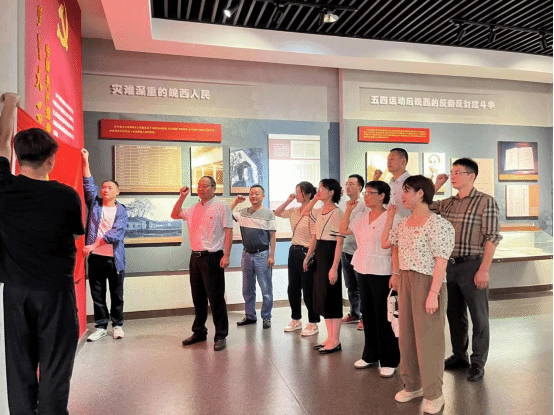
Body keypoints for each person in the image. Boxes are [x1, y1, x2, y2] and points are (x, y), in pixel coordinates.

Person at [0, 93, 86, 414]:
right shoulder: (66, 196)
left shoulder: (4, 188)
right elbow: (76, 235)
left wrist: (9, 104)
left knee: (19, 368)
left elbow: (2, 142)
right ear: (51, 161)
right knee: (54, 368)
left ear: (17, 157)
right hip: (55, 294)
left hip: (16, 293)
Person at [382, 175, 455, 415]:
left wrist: (433, 293)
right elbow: (388, 245)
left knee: (429, 339)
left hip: (428, 281)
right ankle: (412, 385)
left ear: (420, 193)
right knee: (406, 336)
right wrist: (396, 272)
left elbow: (442, 261)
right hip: (406, 280)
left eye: (406, 190)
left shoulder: (438, 224)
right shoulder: (404, 223)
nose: (401, 195)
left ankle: (434, 393)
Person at [433, 159, 502, 382]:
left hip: (473, 265)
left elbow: (492, 237)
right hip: (450, 266)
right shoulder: (448, 203)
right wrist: (436, 185)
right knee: (454, 315)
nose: (452, 176)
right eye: (451, 172)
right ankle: (459, 356)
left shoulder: (485, 201)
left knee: (479, 317)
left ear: (471, 176)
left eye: (458, 172)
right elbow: (422, 205)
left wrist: (484, 269)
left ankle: (478, 362)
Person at [340, 181, 401, 377]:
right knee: (367, 313)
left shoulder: (393, 216)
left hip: (383, 270)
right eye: (365, 193)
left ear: (382, 196)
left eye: (370, 193)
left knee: (384, 316)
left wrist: (396, 273)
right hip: (363, 267)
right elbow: (343, 230)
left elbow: (395, 247)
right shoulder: (360, 216)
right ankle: (370, 355)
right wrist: (348, 210)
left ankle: (389, 359)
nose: (366, 196)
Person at [171, 177, 233, 352]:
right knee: (198, 297)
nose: (201, 189)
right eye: (199, 186)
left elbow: (229, 231)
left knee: (216, 298)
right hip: (195, 257)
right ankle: (199, 331)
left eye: (205, 186)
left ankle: (220, 335)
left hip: (213, 256)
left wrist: (227, 255)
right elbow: (175, 214)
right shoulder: (194, 208)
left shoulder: (222, 206)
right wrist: (182, 197)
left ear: (214, 188)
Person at [81, 149, 129, 342]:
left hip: (114, 260)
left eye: (109, 187)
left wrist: (92, 246)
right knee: (97, 294)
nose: (105, 190)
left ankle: (117, 326)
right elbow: (88, 184)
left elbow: (115, 234)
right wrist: (85, 159)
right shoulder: (95, 205)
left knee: (117, 295)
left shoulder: (121, 211)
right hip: (96, 260)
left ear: (117, 192)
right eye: (103, 187)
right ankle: (101, 326)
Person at [302, 179, 345, 354]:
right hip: (319, 254)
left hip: (330, 255)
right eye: (318, 187)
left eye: (322, 188)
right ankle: (329, 337)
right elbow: (305, 212)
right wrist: (308, 255)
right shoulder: (320, 211)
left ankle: (336, 340)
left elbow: (339, 243)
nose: (319, 190)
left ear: (332, 192)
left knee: (332, 297)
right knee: (323, 298)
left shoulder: (337, 213)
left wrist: (334, 267)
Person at [275, 181, 320, 336]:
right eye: (296, 191)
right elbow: (277, 212)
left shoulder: (313, 212)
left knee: (308, 289)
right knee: (293, 288)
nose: (297, 195)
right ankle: (296, 319)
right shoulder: (294, 210)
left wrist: (308, 256)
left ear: (308, 194)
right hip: (293, 251)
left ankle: (313, 322)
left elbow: (314, 237)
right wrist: (288, 200)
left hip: (306, 251)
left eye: (299, 192)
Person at [231, 185, 277, 329]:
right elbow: (226, 214)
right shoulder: (243, 212)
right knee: (247, 288)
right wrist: (236, 202)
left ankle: (266, 317)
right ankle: (250, 316)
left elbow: (273, 236)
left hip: (262, 254)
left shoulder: (268, 214)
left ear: (263, 196)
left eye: (257, 193)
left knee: (266, 289)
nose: (253, 196)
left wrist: (272, 255)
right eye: (251, 193)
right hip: (246, 254)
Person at [339, 174, 366, 329]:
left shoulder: (364, 204)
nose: (348, 186)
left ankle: (364, 317)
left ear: (360, 187)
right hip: (345, 250)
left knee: (362, 286)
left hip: (359, 251)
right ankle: (354, 313)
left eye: (352, 184)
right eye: (347, 183)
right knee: (351, 285)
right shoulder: (344, 204)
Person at [387, 148, 412, 218]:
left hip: (408, 223)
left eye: (392, 159)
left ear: (403, 161)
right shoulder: (389, 184)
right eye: (388, 160)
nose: (389, 162)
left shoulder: (412, 183)